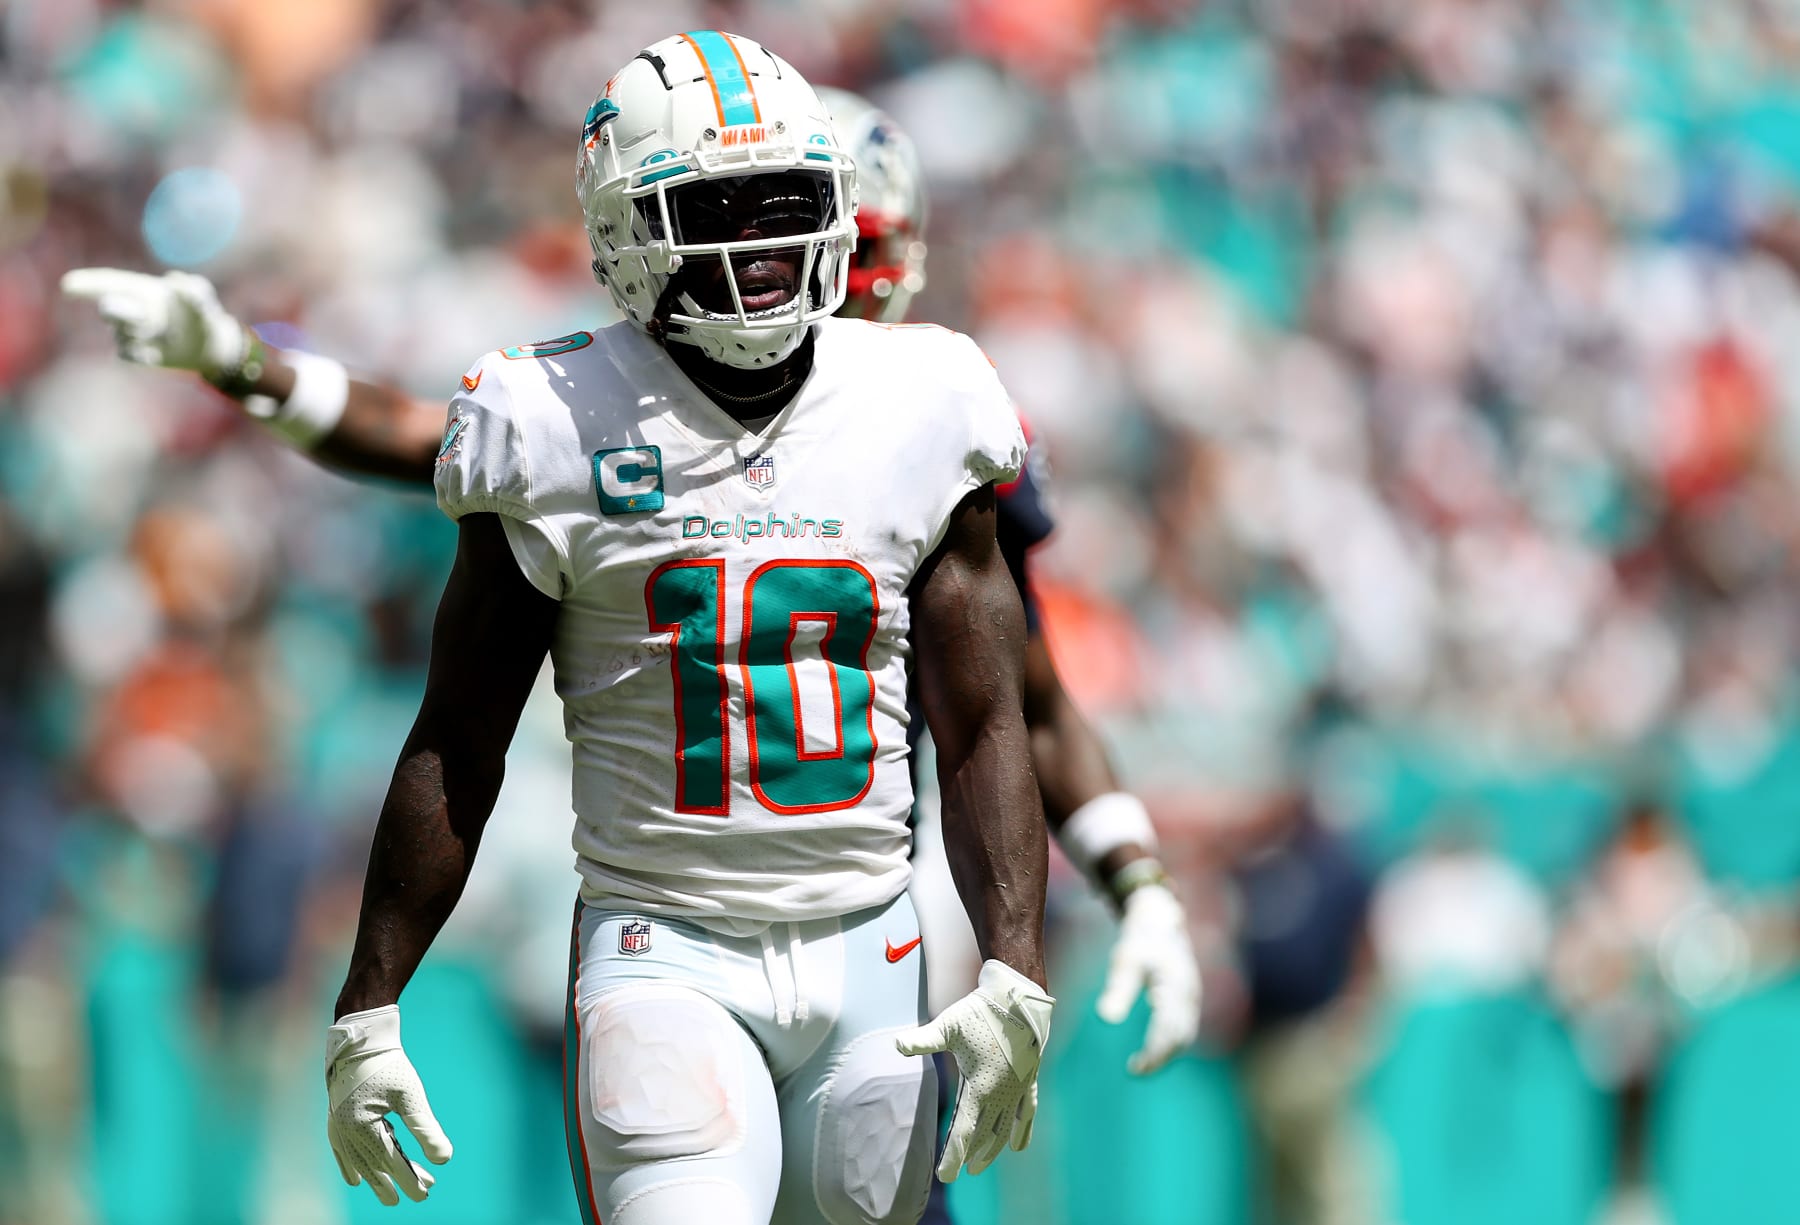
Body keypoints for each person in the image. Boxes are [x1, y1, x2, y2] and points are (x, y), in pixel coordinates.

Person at [64, 47, 1195, 1220]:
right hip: (669, 925)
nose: (768, 260)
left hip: (883, 917)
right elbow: (442, 622)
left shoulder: (930, 405)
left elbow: (1013, 707)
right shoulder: (558, 416)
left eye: (807, 220)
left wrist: (1108, 896)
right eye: (719, 214)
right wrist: (239, 360)